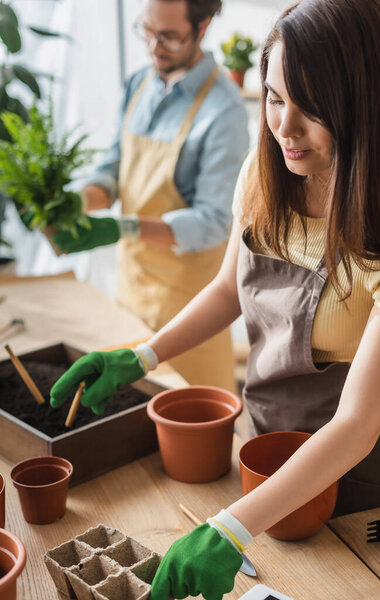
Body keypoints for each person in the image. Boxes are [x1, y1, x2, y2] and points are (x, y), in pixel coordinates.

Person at [51, 0, 380, 598]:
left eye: (311, 108)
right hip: (261, 453)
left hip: (353, 486)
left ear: (366, 103)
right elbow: (226, 292)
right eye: (274, 97)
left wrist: (230, 532)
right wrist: (141, 357)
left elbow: (357, 423)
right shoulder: (266, 173)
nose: (284, 127)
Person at [52, 0, 249, 392]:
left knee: (192, 433)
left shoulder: (223, 110)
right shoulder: (138, 84)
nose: (155, 47)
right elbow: (113, 170)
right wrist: (77, 202)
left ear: (203, 26)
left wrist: (121, 227)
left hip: (189, 311)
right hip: (131, 294)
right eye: (147, 31)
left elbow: (214, 223)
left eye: (170, 37)